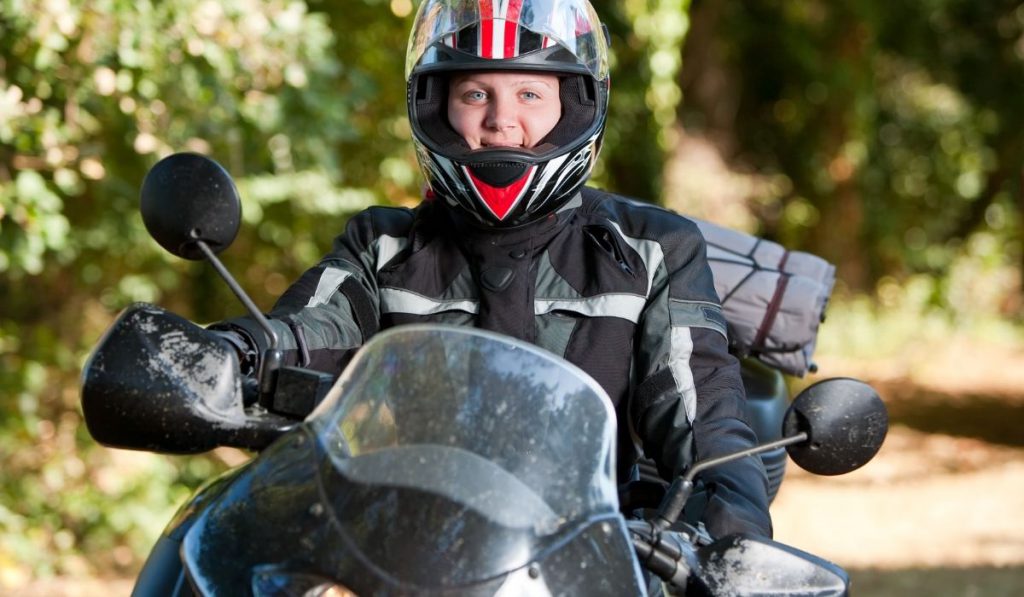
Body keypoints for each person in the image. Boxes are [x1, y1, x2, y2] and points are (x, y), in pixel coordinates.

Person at [213, 0, 771, 539]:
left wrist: (735, 529)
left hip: (598, 553)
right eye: (475, 92)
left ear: (576, 106)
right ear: (436, 108)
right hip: (399, 551)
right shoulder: (383, 246)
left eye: (529, 92)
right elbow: (309, 330)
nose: (502, 120)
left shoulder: (650, 248)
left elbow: (700, 406)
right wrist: (227, 353)